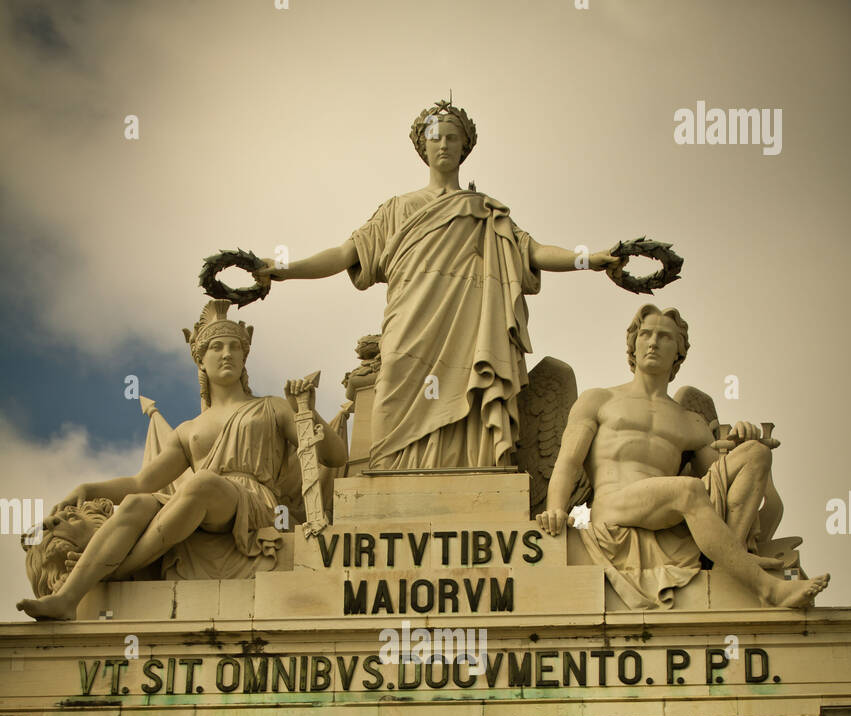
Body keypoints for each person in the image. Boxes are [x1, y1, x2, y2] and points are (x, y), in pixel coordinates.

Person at [253, 97, 621, 473]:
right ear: (422, 147)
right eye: (435, 138)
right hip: (410, 323)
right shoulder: (396, 209)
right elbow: (345, 253)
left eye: (451, 137)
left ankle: (473, 477)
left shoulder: (486, 211)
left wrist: (590, 260)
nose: (443, 144)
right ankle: (390, 482)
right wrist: (285, 268)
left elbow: (534, 252)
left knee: (466, 393)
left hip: (469, 326)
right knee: (392, 394)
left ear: (464, 147)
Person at [17, 300, 346, 621]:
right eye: (217, 347)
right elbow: (141, 482)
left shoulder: (273, 407)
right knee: (135, 503)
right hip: (199, 504)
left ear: (245, 357)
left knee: (201, 483)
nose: (227, 353)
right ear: (201, 361)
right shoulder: (189, 429)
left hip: (251, 502)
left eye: (235, 347)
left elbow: (335, 456)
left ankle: (117, 567)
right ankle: (66, 599)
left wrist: (306, 409)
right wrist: (88, 487)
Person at [535, 305, 829, 610]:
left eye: (664, 337)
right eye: (646, 334)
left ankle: (729, 562)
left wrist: (745, 442)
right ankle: (767, 589)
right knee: (687, 489)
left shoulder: (692, 422)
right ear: (633, 345)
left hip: (665, 512)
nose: (652, 342)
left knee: (754, 454)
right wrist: (555, 508)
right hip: (615, 506)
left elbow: (723, 489)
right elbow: (568, 462)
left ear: (679, 352)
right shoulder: (600, 400)